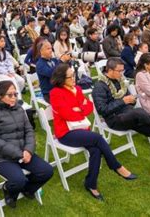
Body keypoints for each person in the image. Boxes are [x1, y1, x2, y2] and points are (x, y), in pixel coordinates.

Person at [50, 64, 136, 201]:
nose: (74, 78)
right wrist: (78, 109)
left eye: (74, 75)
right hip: (66, 133)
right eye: (70, 76)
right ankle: (116, 166)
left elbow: (89, 107)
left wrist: (78, 109)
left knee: (96, 150)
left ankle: (90, 184)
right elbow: (67, 114)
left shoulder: (77, 89)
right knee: (98, 138)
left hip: (82, 129)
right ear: (61, 78)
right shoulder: (55, 93)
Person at [92, 57, 150, 186]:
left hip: (130, 115)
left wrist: (132, 100)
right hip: (115, 119)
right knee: (139, 112)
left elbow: (131, 101)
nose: (122, 73)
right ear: (110, 70)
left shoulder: (120, 81)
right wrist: (123, 101)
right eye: (119, 71)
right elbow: (102, 110)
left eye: (123, 70)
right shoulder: (99, 86)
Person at [0, 80, 53, 208]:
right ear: (0, 96)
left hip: (23, 152)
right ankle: (9, 190)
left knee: (47, 171)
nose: (14, 97)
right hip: (1, 157)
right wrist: (20, 154)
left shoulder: (19, 109)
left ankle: (27, 189)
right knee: (18, 180)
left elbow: (29, 131)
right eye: (10, 95)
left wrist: (28, 150)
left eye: (15, 94)